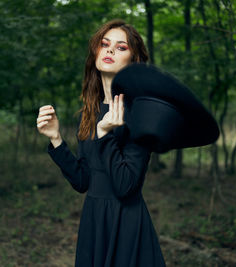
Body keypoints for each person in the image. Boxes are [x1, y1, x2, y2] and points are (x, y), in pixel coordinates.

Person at [36, 19, 166, 267]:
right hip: (94, 223)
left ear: (134, 60)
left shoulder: (140, 114)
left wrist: (106, 136)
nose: (109, 50)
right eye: (105, 44)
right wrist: (56, 139)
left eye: (121, 47)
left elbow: (126, 186)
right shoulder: (90, 112)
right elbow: (83, 181)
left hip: (126, 226)